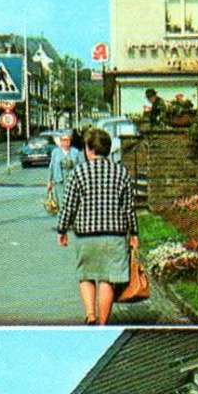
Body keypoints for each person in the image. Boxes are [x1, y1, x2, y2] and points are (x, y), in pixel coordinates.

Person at [57, 127, 139, 325]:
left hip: (86, 235)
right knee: (107, 279)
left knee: (86, 275)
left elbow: (69, 204)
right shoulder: (121, 172)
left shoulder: (78, 172)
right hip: (114, 234)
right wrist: (134, 233)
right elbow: (129, 207)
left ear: (88, 149)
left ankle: (90, 315)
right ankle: (102, 323)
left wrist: (62, 229)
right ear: (108, 150)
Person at [45, 129, 85, 213]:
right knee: (61, 203)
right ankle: (63, 222)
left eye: (68, 140)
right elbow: (51, 167)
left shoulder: (75, 152)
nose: (66, 143)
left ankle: (71, 221)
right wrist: (49, 181)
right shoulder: (55, 152)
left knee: (72, 203)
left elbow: (80, 166)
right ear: (60, 141)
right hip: (59, 181)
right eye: (64, 140)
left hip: (72, 181)